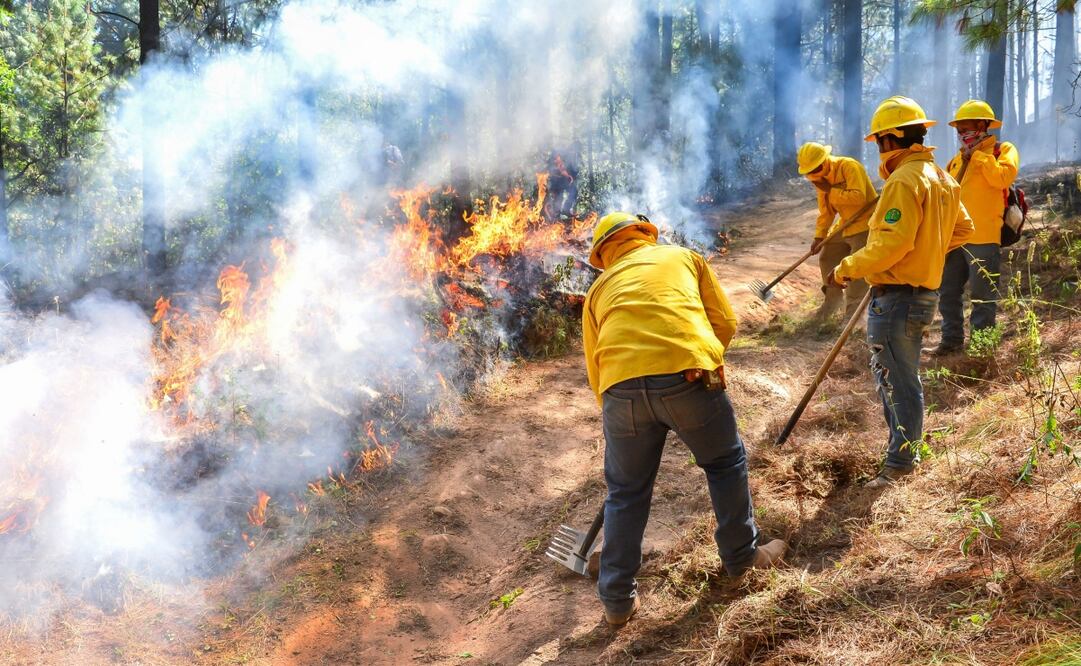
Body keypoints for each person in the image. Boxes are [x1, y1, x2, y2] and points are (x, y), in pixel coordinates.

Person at [582, 212, 786, 626]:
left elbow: (594, 369)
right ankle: (742, 560)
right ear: (645, 235)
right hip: (689, 377)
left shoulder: (598, 290)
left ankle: (617, 601)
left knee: (625, 492)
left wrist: (624, 405)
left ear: (604, 254)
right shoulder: (682, 257)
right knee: (725, 464)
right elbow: (725, 322)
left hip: (619, 390)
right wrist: (704, 359)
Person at [828, 97, 974, 488]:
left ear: (892, 139)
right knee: (902, 376)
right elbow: (964, 229)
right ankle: (905, 453)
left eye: (879, 141)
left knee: (898, 380)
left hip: (896, 297)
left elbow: (891, 245)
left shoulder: (903, 180)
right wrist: (926, 249)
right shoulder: (942, 177)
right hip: (919, 295)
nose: (878, 149)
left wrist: (846, 267)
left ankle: (899, 465)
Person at [934, 100, 1020, 355]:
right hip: (954, 240)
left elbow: (1002, 178)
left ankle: (982, 350)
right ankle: (951, 342)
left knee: (982, 297)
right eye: (959, 128)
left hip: (984, 239)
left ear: (983, 125)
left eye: (967, 126)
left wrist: (979, 156)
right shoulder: (955, 162)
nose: (962, 132)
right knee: (948, 293)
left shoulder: (1002, 151)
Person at [797, 142, 878, 322]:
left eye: (816, 168)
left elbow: (859, 198)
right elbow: (826, 212)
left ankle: (854, 315)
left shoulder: (848, 166)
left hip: (866, 222)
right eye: (810, 171)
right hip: (845, 224)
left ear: (825, 161)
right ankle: (832, 305)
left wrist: (831, 190)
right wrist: (819, 236)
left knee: (858, 267)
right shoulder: (819, 180)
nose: (813, 173)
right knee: (827, 257)